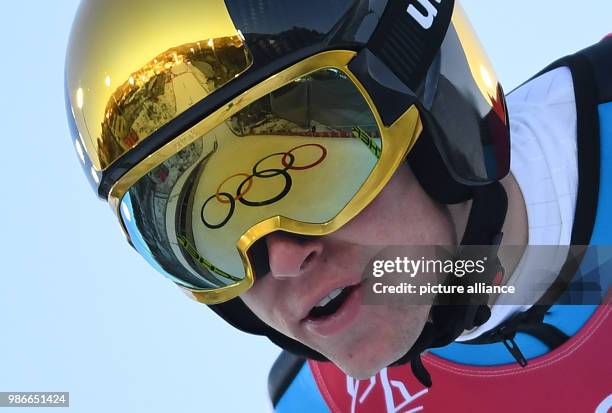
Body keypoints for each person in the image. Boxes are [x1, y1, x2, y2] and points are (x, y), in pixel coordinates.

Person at [64, 0, 611, 411]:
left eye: (302, 174)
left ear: (434, 122)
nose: (280, 259)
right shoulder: (320, 403)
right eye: (215, 225)